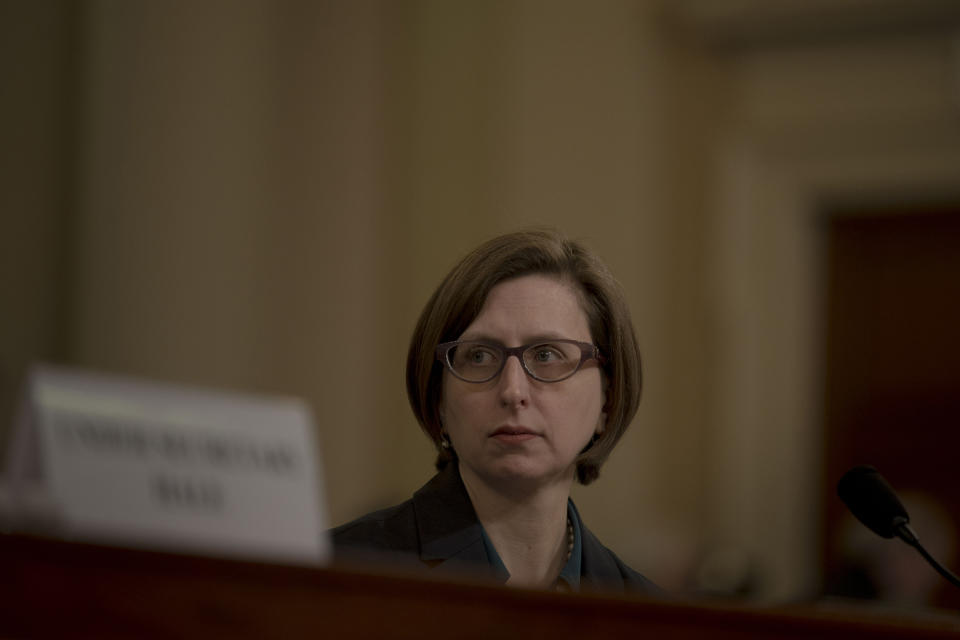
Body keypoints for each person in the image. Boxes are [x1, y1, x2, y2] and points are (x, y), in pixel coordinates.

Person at [332, 229, 657, 594]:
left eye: (547, 355)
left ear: (607, 401)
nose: (513, 392)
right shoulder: (330, 577)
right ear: (439, 398)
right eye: (479, 356)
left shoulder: (655, 618)